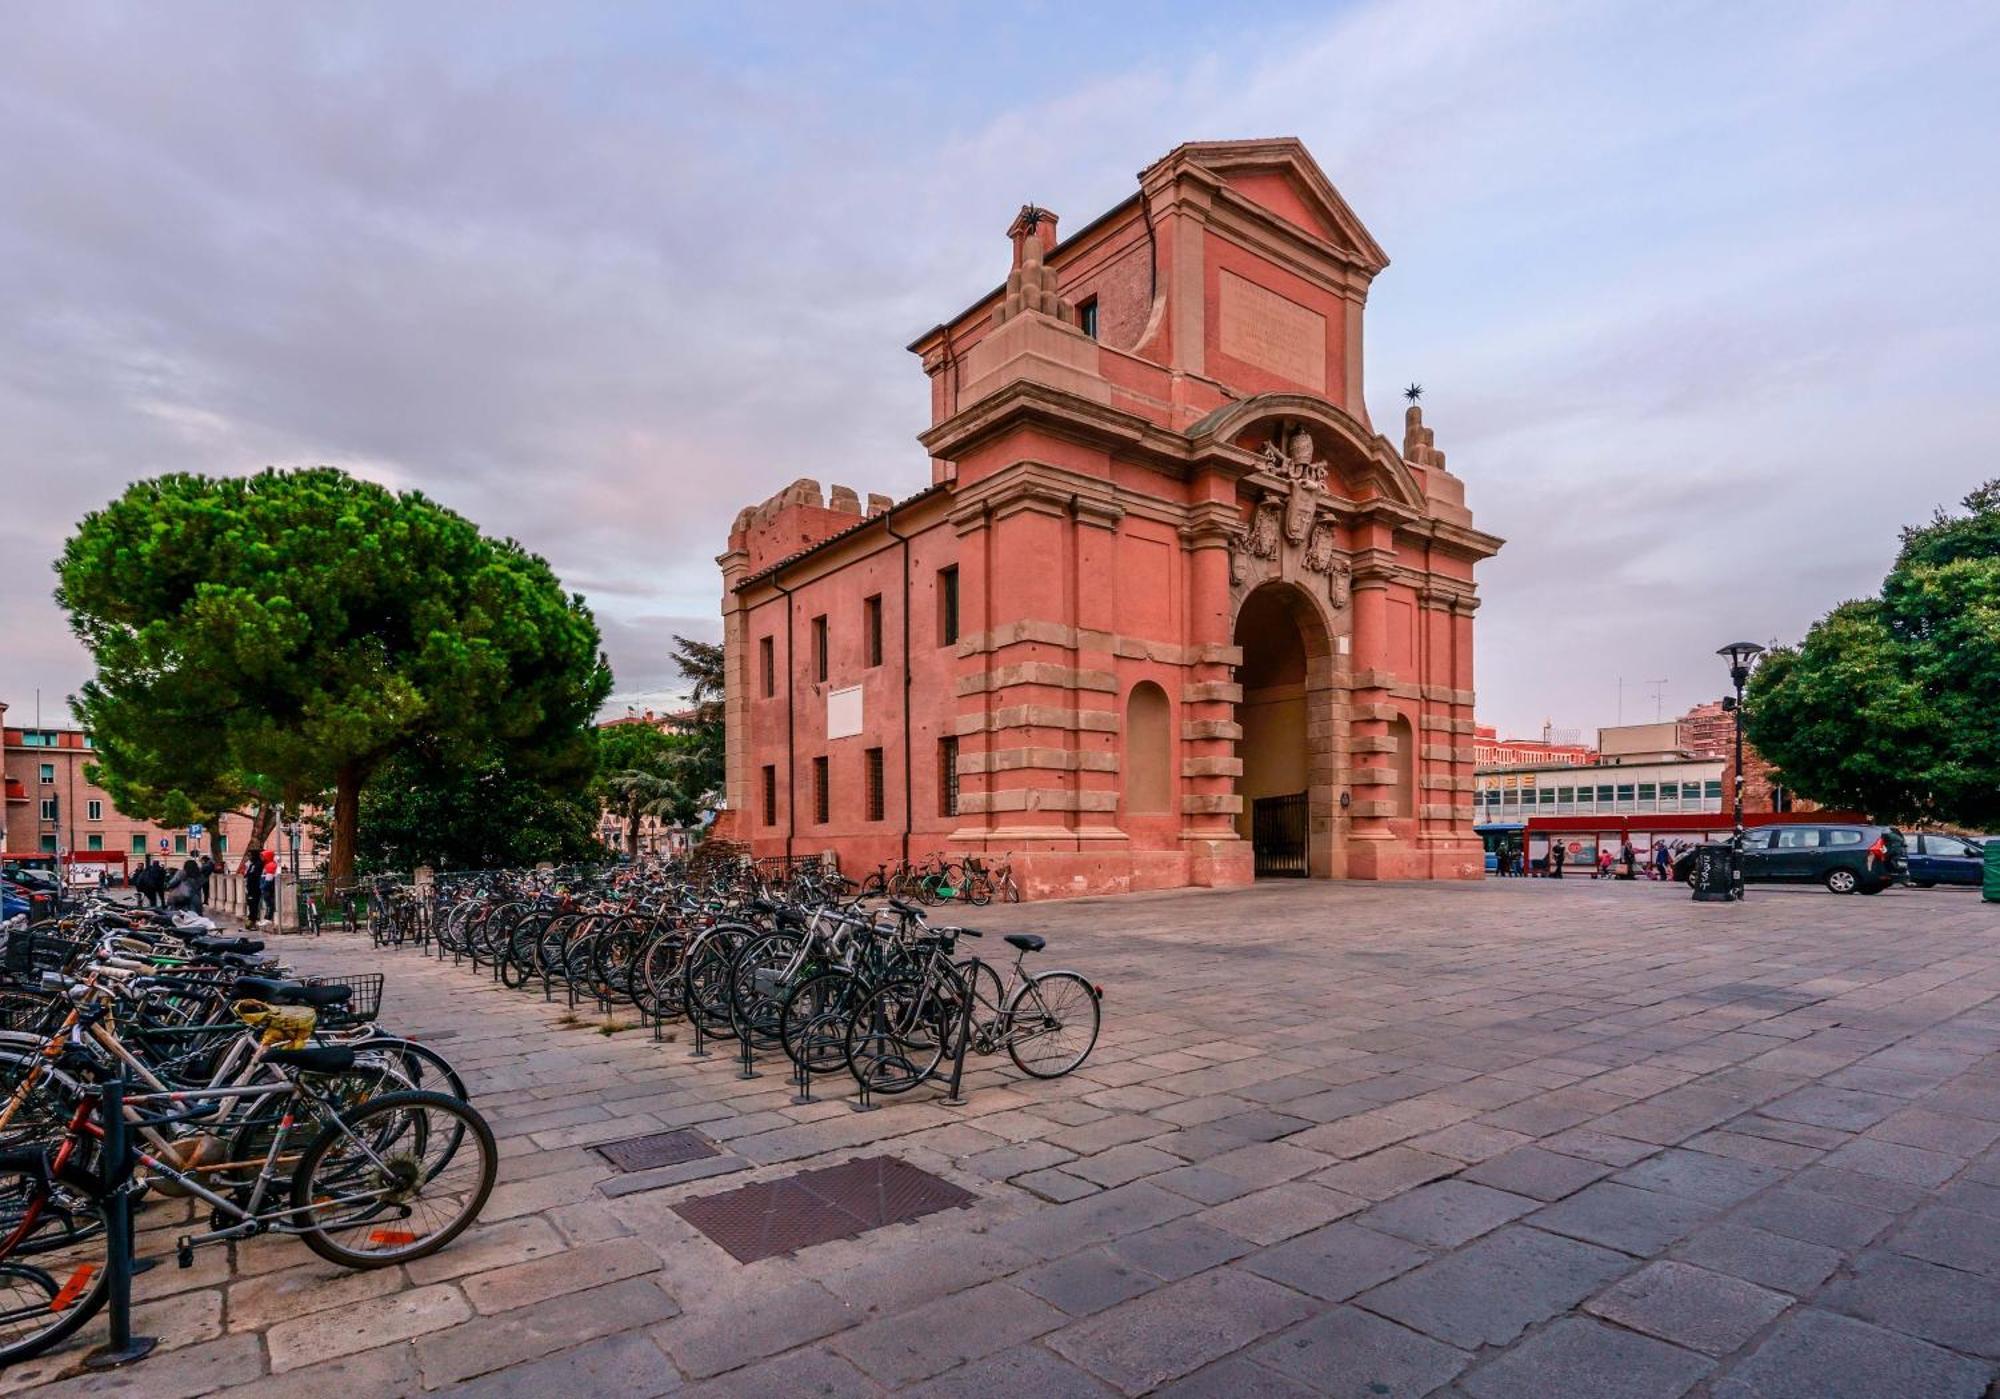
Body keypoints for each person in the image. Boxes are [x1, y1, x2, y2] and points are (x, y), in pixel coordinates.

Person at [242, 847, 264, 927]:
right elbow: (248, 874)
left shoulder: (259, 864)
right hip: (250, 888)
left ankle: (253, 921)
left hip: (255, 888)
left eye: (250, 855)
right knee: (250, 903)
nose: (249, 857)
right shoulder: (252, 864)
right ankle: (251, 919)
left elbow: (255, 875)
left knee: (254, 904)